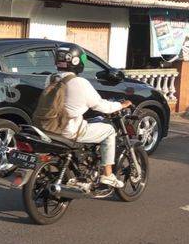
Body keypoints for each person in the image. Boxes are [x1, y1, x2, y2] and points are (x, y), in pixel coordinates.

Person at [34, 45, 131, 188]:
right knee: (109, 130)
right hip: (69, 130)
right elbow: (101, 106)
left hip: (48, 125)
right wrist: (120, 105)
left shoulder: (50, 79)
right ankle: (108, 175)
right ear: (76, 62)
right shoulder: (80, 82)